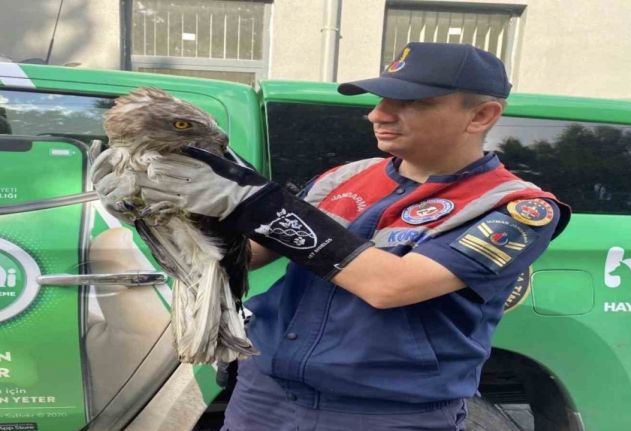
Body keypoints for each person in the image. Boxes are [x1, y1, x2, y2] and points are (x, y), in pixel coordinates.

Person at [92, 42, 570, 430]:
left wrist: (255, 201)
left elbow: (391, 286)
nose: (379, 115)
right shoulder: (345, 176)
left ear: (482, 116)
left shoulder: (514, 208)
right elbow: (251, 256)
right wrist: (172, 212)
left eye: (411, 103)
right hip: (263, 395)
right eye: (381, 100)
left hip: (383, 415)